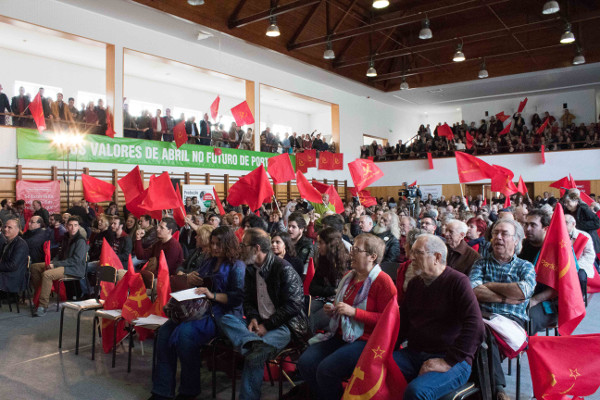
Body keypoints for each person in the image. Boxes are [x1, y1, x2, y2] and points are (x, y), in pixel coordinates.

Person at [149, 227, 245, 400]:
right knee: (164, 333)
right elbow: (197, 284)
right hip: (199, 309)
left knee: (185, 334)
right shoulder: (209, 261)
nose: (214, 247)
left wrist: (212, 295)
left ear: (228, 244)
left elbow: (237, 298)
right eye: (212, 243)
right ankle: (162, 390)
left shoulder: (237, 266)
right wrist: (190, 279)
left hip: (223, 313)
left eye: (219, 244)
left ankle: (189, 390)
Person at [297, 234, 397, 400]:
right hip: (341, 335)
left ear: (372, 256)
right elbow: (342, 303)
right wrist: (333, 309)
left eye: (357, 250)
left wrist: (354, 312)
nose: (351, 253)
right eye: (352, 248)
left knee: (326, 369)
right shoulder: (350, 276)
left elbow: (388, 321)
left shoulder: (383, 281)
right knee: (305, 362)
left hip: (366, 341)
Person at [219, 228, 308, 400]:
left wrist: (266, 326)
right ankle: (252, 342)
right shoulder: (251, 269)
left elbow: (294, 306)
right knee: (226, 319)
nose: (241, 249)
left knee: (254, 357)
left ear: (256, 248)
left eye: (244, 245)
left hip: (284, 326)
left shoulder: (283, 268)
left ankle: (252, 347)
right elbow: (248, 300)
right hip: (259, 323)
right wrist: (253, 318)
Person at [393, 234, 485, 400]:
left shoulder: (458, 282)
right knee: (376, 369)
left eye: (418, 252)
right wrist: (387, 349)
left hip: (453, 358)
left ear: (436, 257)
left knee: (416, 392)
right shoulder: (415, 284)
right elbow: (403, 323)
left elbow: (476, 326)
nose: (411, 257)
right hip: (414, 353)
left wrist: (448, 362)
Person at [469, 218, 536, 400]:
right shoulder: (480, 264)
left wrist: (488, 285)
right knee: (481, 339)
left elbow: (523, 291)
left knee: (478, 340)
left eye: (504, 234)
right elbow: (473, 290)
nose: (498, 237)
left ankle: (491, 391)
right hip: (483, 318)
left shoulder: (525, 266)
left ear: (516, 240)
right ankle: (497, 391)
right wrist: (505, 298)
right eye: (495, 233)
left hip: (511, 322)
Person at [31, 216, 88, 317]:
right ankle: (39, 296)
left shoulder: (80, 240)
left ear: (78, 227)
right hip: (64, 264)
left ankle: (43, 306)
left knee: (47, 274)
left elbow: (76, 260)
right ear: (66, 226)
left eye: (75, 225)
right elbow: (59, 254)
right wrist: (53, 262)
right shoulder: (66, 238)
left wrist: (55, 264)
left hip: (74, 269)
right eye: (70, 225)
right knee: (34, 267)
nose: (73, 228)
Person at [308, 227, 349, 334]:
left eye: (321, 243)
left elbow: (345, 292)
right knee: (304, 310)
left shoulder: (347, 263)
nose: (318, 246)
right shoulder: (324, 260)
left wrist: (329, 291)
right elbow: (312, 288)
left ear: (330, 244)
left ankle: (306, 341)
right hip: (324, 299)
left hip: (339, 304)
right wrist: (333, 290)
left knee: (313, 320)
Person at [562, 189, 600, 253]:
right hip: (575, 241)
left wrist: (578, 225)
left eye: (568, 202)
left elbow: (597, 223)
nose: (566, 204)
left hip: (589, 240)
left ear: (576, 202)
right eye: (565, 202)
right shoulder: (566, 211)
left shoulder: (584, 209)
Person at [0, 219, 29, 294]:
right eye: (5, 227)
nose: (5, 229)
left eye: (9, 227)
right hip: (6, 273)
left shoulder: (20, 244)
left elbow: (12, 266)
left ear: (17, 230)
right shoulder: (7, 242)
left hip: (13, 278)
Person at [565, 214, 596, 280]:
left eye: (566, 222)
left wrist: (574, 265)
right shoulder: (558, 236)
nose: (563, 225)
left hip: (580, 266)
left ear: (573, 224)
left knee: (580, 276)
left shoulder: (584, 236)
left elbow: (589, 255)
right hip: (563, 266)